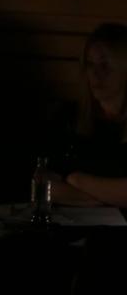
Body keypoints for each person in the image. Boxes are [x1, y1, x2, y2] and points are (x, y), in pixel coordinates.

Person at [49, 23, 127, 207]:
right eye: (90, 64)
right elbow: (45, 184)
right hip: (71, 225)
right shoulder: (69, 117)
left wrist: (78, 181)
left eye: (105, 66)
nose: (94, 73)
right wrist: (110, 197)